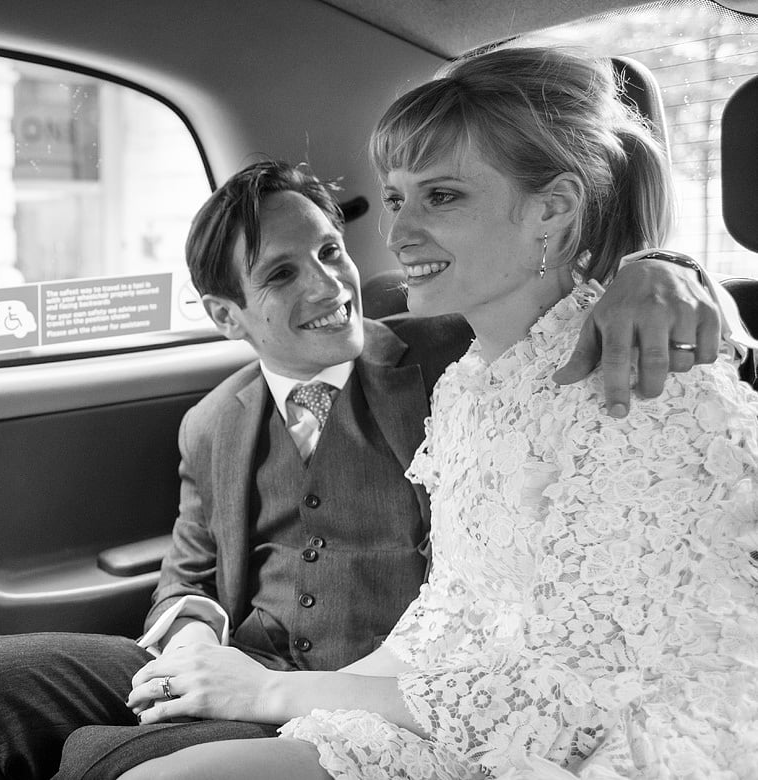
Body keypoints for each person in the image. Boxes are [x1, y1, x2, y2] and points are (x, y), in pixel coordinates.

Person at [0, 152, 726, 779]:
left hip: (378, 691)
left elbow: (559, 291)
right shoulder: (210, 423)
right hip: (247, 660)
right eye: (283, 274)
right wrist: (191, 640)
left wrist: (663, 268)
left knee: (98, 757)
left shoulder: (454, 353)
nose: (332, 285)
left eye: (332, 251)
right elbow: (185, 575)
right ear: (228, 315)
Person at [117, 46, 758, 779]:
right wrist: (240, 675)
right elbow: (442, 622)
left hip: (615, 741)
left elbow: (583, 698)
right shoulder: (466, 387)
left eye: (442, 197)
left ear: (551, 210)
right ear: (225, 316)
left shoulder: (633, 369)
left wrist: (666, 266)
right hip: (431, 697)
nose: (393, 238)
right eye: (395, 199)